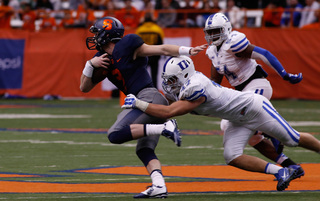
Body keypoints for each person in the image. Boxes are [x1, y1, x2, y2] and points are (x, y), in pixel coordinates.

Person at [122, 55, 320, 191]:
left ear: (184, 76)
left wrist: (139, 104)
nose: (170, 83)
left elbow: (170, 111)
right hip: (237, 118)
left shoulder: (196, 87)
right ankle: (282, 171)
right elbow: (167, 102)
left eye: (173, 79)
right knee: (231, 156)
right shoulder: (186, 85)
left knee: (293, 139)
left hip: (255, 108)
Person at [80, 16, 206, 198]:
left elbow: (161, 49)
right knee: (144, 149)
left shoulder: (128, 44)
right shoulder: (100, 59)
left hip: (149, 97)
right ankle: (159, 185)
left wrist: (187, 50)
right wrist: (89, 65)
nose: (94, 37)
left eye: (97, 33)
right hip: (144, 101)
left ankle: (165, 127)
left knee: (115, 134)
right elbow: (84, 87)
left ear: (106, 34)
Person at [203, 13, 304, 177]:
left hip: (257, 86)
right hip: (243, 93)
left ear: (226, 29)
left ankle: (270, 132)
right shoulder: (213, 52)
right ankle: (290, 166)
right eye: (210, 32)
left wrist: (284, 74)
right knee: (248, 137)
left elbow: (264, 54)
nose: (212, 35)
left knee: (251, 123)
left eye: (216, 31)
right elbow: (215, 82)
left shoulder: (233, 42)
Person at [136, 12, 164, 89]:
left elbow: (137, 43)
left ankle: (141, 89)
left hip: (143, 54)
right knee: (154, 75)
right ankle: (155, 90)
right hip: (155, 54)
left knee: (142, 74)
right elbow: (161, 43)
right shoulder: (157, 29)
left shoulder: (140, 30)